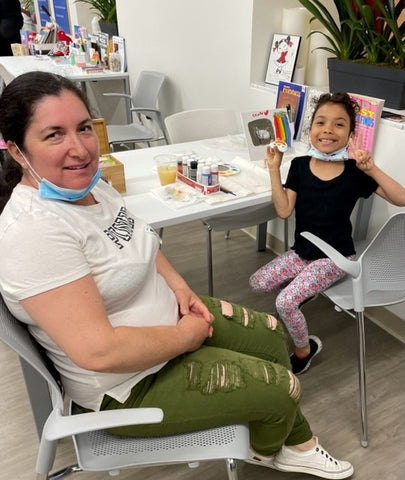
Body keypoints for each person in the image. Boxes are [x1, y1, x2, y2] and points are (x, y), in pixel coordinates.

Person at [0, 72, 354, 479]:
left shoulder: (93, 186)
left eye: (83, 128)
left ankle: (274, 434)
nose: (79, 148)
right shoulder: (35, 232)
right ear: (16, 149)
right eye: (54, 135)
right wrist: (186, 338)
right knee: (283, 387)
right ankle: (285, 447)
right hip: (128, 383)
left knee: (275, 337)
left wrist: (181, 288)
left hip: (169, 318)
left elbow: (144, 244)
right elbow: (99, 352)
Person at [250, 92, 405, 375]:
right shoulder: (298, 166)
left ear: (351, 134)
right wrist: (274, 169)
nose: (328, 130)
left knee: (284, 301)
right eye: (321, 122)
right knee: (258, 282)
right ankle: (305, 291)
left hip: (335, 259)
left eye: (339, 124)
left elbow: (401, 198)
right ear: (311, 130)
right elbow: (284, 210)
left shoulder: (354, 172)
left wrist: (372, 169)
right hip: (302, 253)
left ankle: (304, 350)